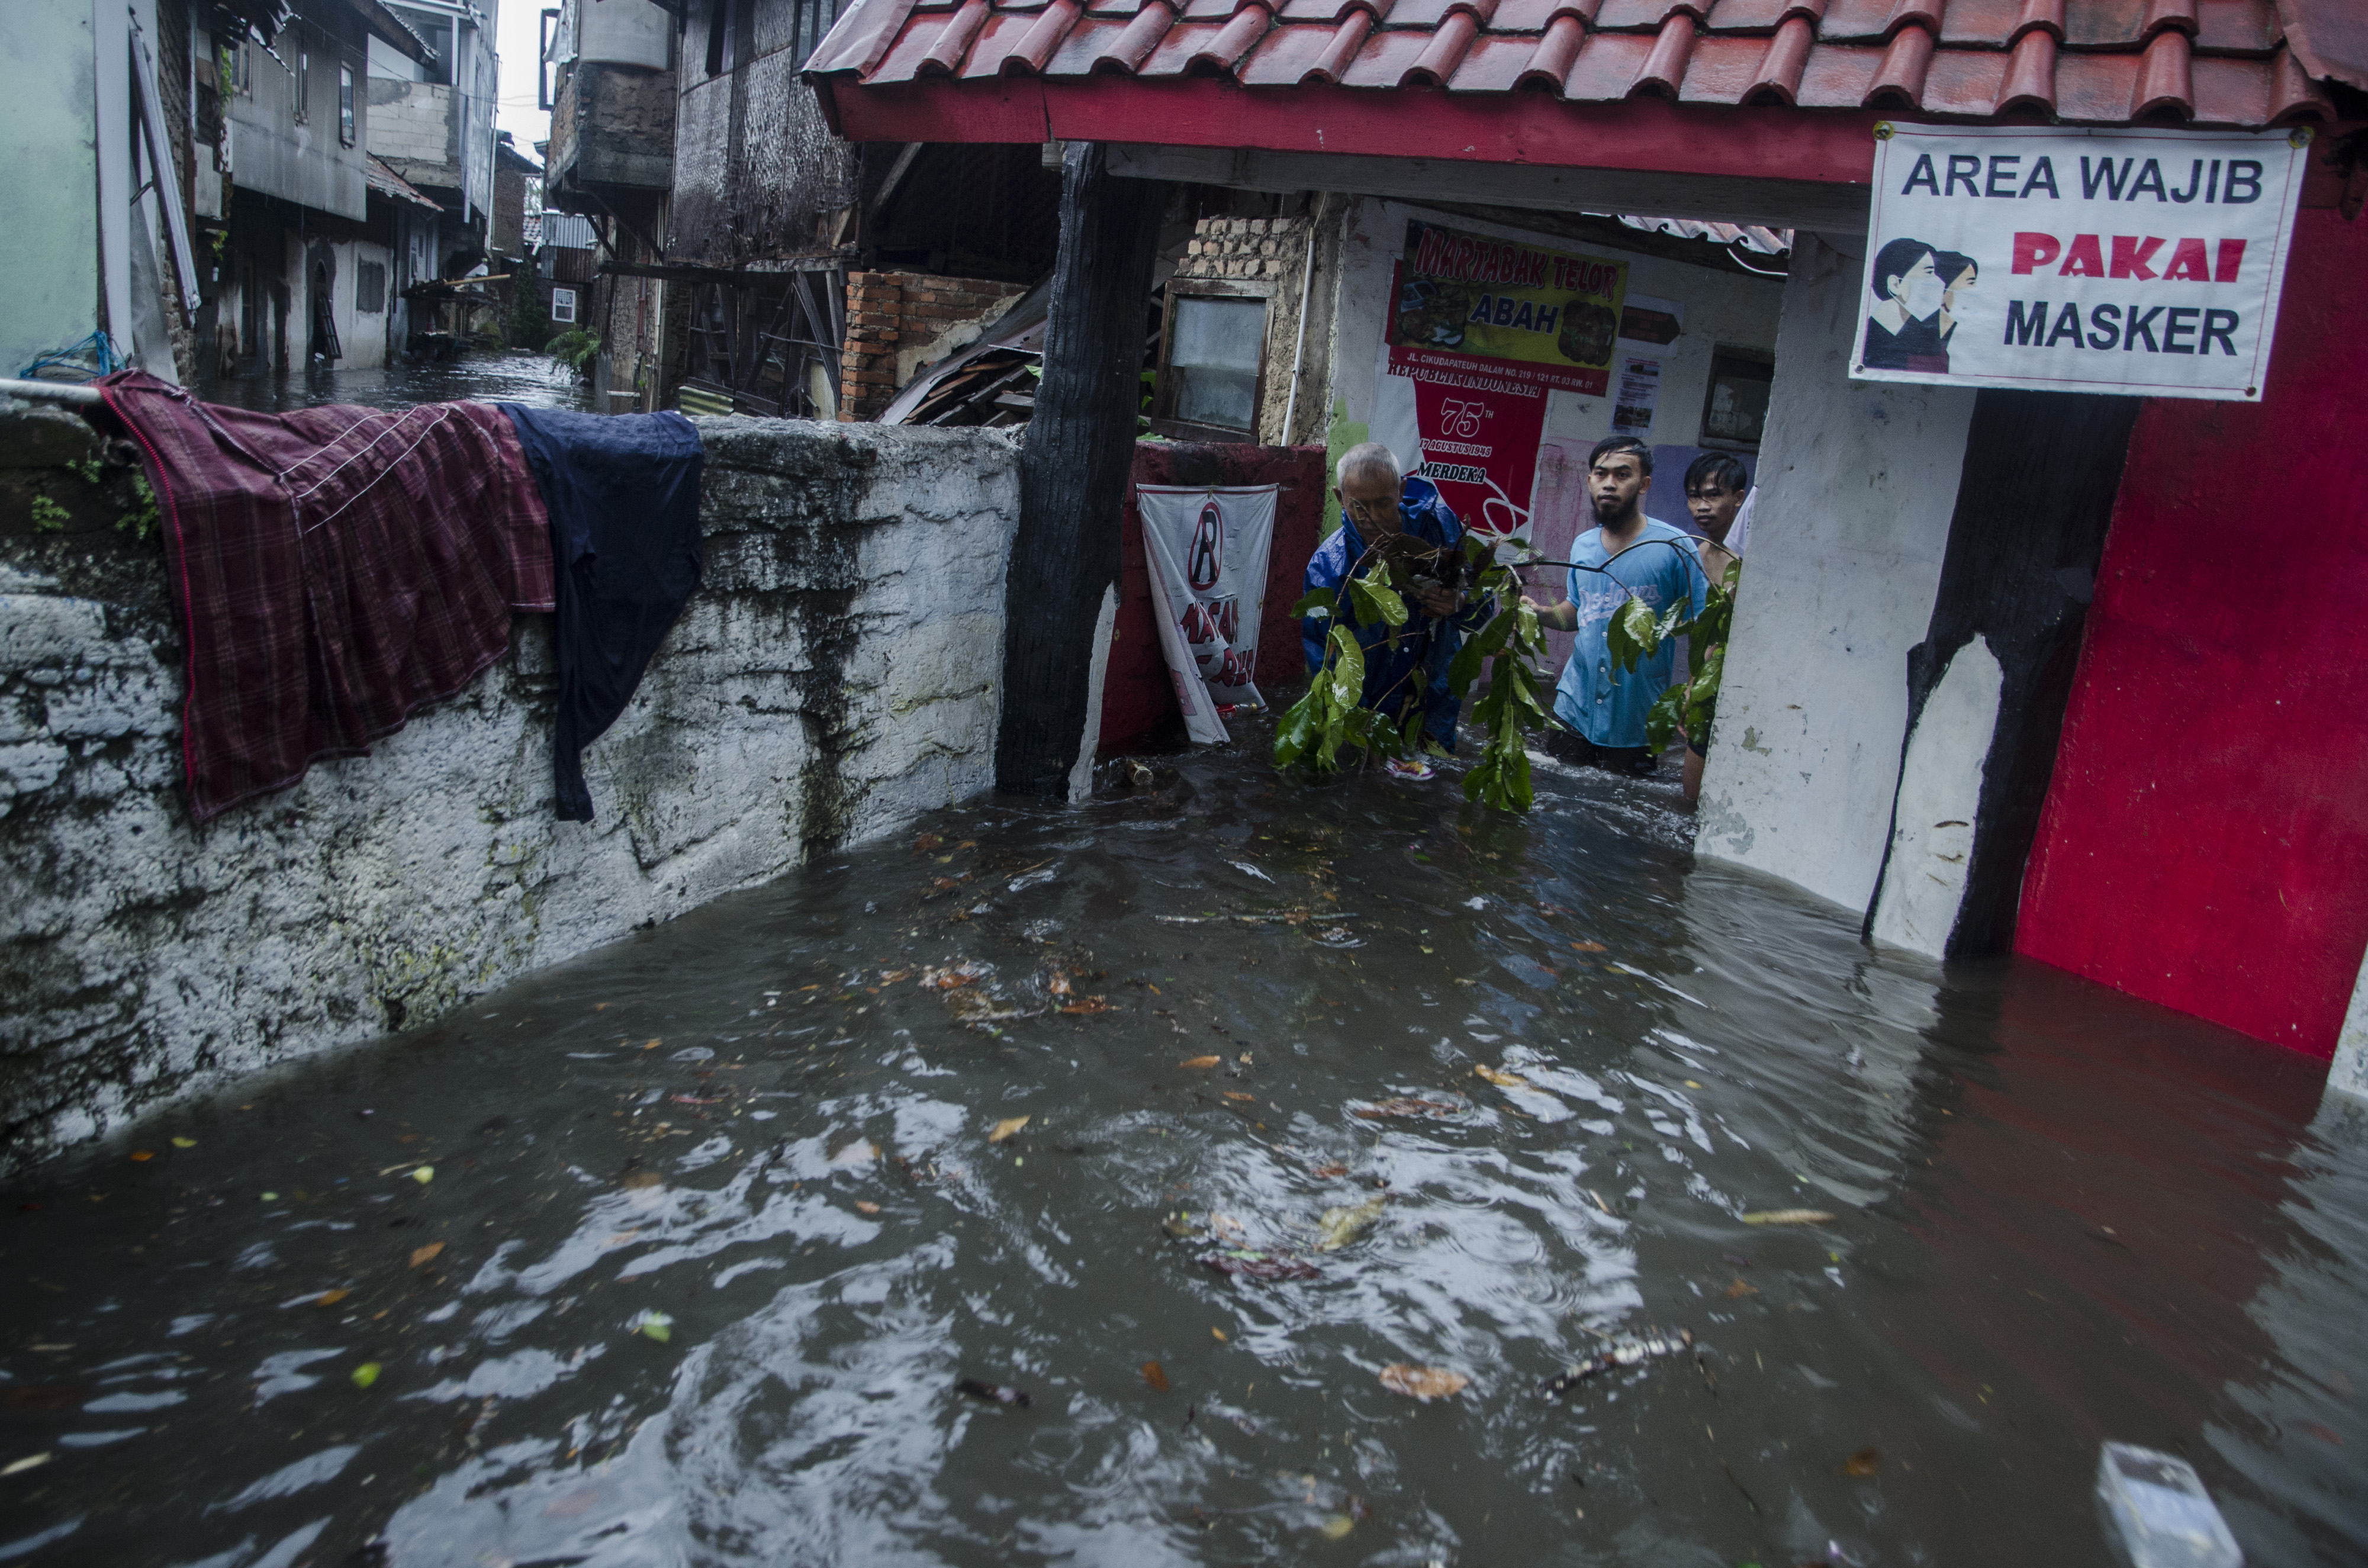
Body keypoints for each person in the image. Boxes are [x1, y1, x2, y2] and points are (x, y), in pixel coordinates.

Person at [1523, 436, 1707, 777]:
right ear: (1590, 480)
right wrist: (1539, 613)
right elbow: (1578, 612)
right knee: (1555, 799)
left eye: (1623, 475)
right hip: (1574, 708)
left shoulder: (1675, 547)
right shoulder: (1583, 546)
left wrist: (1694, 691)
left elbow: (1706, 626)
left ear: (1644, 484)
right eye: (1600, 473)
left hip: (1636, 718)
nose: (1609, 484)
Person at [1301, 442, 1486, 780]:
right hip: (1367, 707)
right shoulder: (1329, 569)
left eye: (1383, 503)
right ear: (1340, 498)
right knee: (1361, 795)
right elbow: (1324, 661)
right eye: (1359, 506)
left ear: (1401, 491)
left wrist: (1459, 603)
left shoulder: (1438, 529)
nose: (1372, 518)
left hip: (1431, 700)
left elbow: (1483, 604)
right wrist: (1358, 723)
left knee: (1430, 797)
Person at [1678, 452, 1751, 804]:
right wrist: (1691, 690)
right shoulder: (1697, 554)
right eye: (1694, 496)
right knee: (1691, 799)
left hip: (1742, 685)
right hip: (1708, 685)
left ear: (1739, 498)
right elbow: (1703, 635)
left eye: (1712, 495)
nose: (1701, 506)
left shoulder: (1752, 560)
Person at [1861, 237, 1949, 373]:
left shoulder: (1928, 337)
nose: (1938, 282)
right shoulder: (1869, 341)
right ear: (1895, 284)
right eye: (1929, 272)